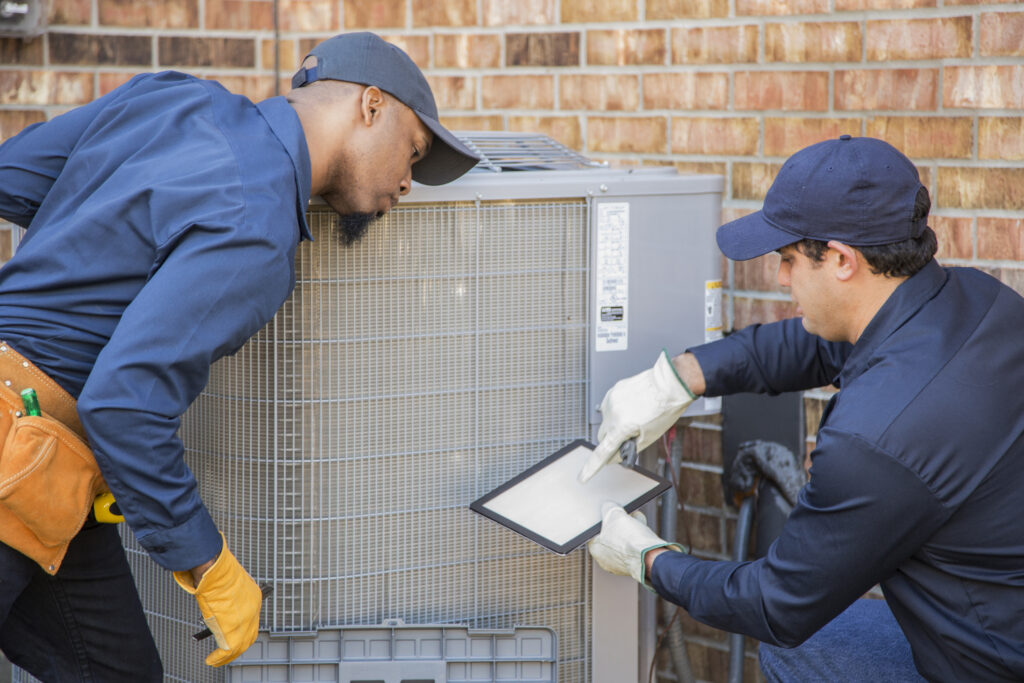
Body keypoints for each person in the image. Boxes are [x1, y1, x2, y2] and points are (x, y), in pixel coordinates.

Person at [0, 32, 479, 680]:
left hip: (54, 469)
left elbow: (12, 174)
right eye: (413, 151)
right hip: (18, 450)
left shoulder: (170, 97)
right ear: (370, 106)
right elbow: (124, 404)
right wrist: (210, 564)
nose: (408, 181)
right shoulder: (259, 225)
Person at [582, 136, 1024, 682]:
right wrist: (677, 379)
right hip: (1003, 612)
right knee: (811, 647)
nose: (781, 277)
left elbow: (777, 604)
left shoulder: (876, 438)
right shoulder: (977, 302)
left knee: (795, 638)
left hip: (987, 664)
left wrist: (649, 561)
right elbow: (818, 343)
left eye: (789, 259)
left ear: (841, 259)